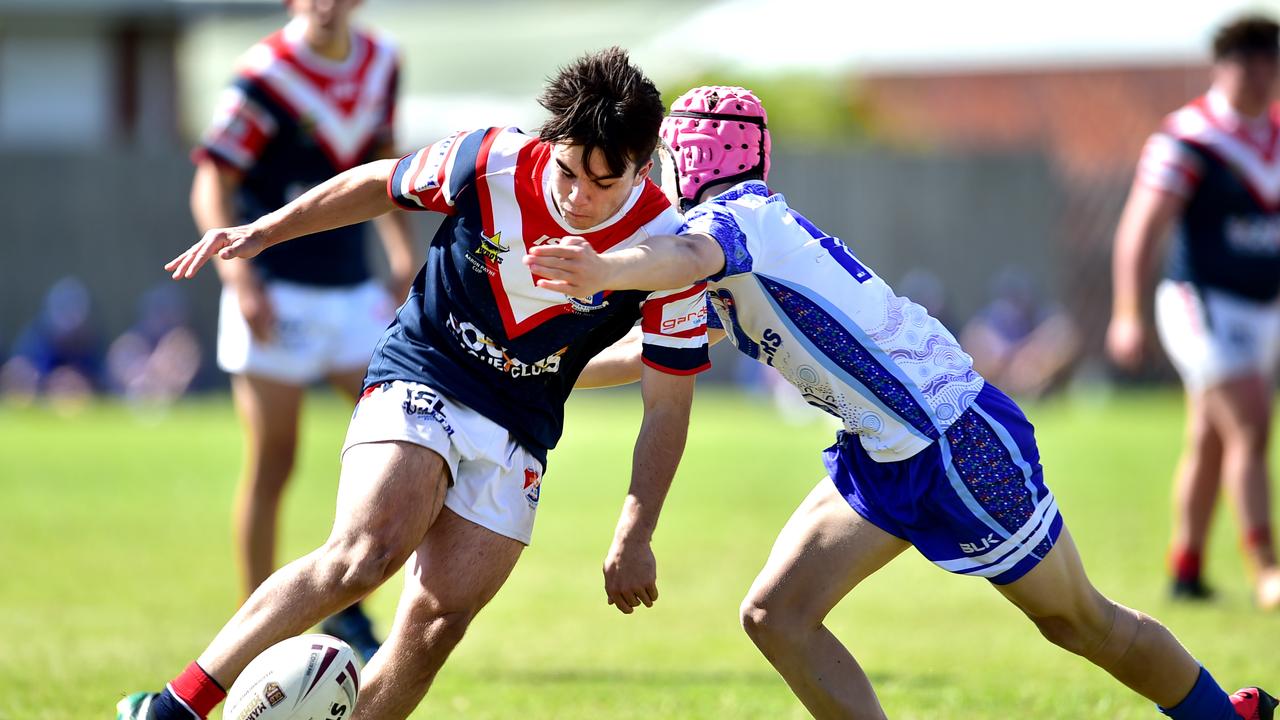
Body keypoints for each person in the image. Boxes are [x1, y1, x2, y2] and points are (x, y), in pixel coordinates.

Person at [529, 85, 1277, 720]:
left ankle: (1220, 713)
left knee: (1078, 621)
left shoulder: (734, 224)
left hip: (955, 441)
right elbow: (654, 354)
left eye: (662, 156)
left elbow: (678, 257)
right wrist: (540, 366)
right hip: (884, 449)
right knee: (775, 616)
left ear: (685, 157)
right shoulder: (738, 240)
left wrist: (601, 269)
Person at [117, 47, 709, 720]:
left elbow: (668, 404)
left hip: (521, 426)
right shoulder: (492, 159)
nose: (577, 196)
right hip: (426, 369)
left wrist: (636, 532)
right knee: (365, 553)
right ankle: (174, 708)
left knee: (437, 625)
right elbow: (379, 181)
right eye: (569, 170)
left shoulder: (669, 252)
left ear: (644, 164)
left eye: (604, 183)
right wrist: (267, 229)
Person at [190, 0, 419, 657]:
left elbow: (383, 163)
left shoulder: (381, 62)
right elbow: (213, 178)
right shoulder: (267, 71)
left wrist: (401, 253)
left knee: (398, 440)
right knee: (275, 461)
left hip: (353, 294)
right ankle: (253, 625)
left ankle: (345, 612)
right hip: (275, 290)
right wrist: (238, 279)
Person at [1107, 14, 1280, 608]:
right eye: (1245, 61)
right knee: (1252, 424)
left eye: (1268, 60)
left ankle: (1186, 567)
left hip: (1263, 308)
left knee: (1212, 436)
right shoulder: (1190, 137)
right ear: (1221, 67)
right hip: (1199, 302)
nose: (1259, 74)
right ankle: (1267, 569)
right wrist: (1126, 312)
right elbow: (1141, 227)